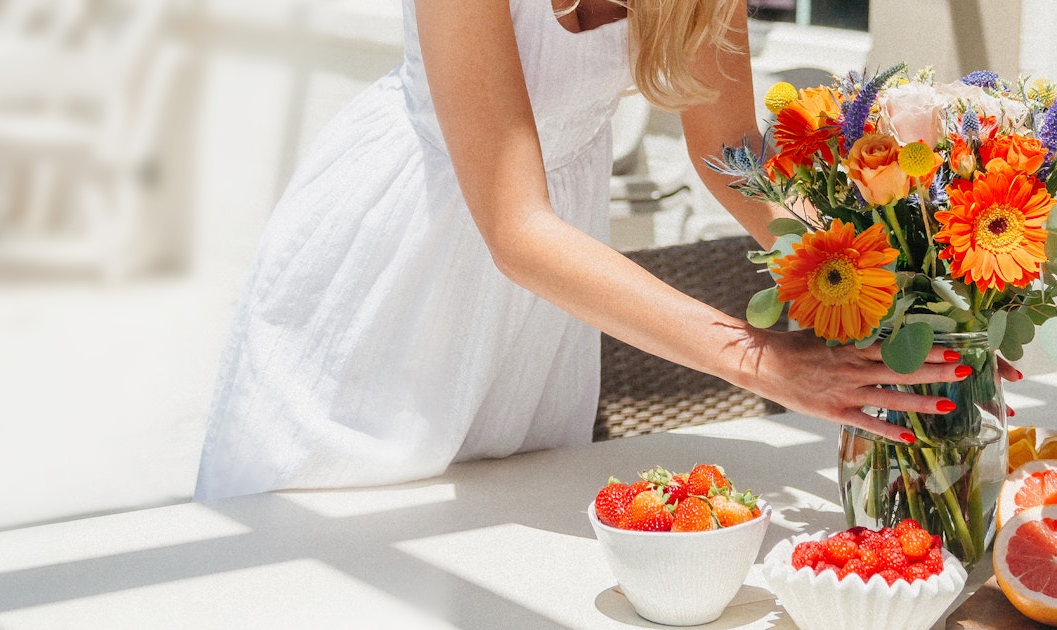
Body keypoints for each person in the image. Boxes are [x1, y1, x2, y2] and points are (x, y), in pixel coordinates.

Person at [195, 0, 1006, 501]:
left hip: (543, 283)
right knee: (319, 520)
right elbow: (515, 228)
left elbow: (730, 156)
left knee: (502, 512)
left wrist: (903, 299)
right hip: (399, 246)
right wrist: (759, 359)